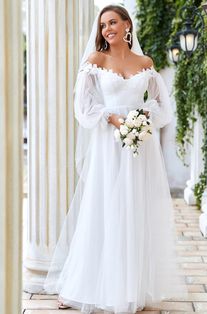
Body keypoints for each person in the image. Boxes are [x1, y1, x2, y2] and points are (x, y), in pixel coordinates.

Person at [44, 4, 188, 313]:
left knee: (133, 210)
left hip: (139, 148)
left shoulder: (145, 62)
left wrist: (142, 117)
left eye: (112, 22)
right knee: (104, 208)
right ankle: (82, 287)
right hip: (109, 147)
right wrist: (113, 120)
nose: (107, 29)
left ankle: (130, 288)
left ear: (127, 25)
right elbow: (83, 107)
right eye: (103, 25)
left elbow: (163, 106)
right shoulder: (96, 61)